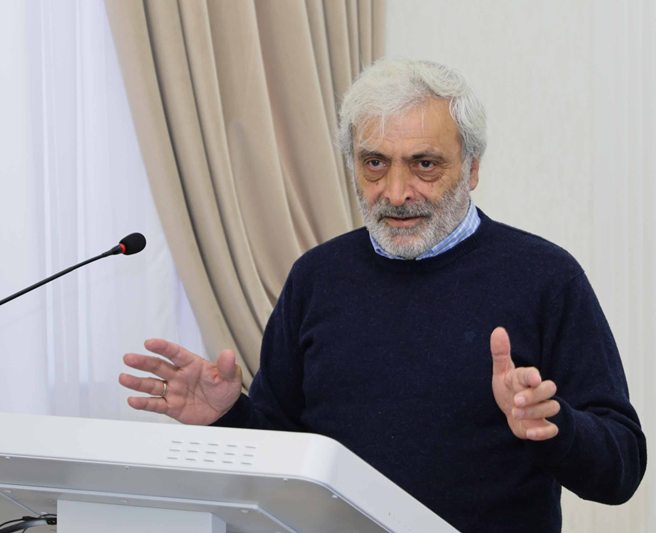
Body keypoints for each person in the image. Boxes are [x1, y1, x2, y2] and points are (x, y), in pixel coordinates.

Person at [118, 59, 646, 532]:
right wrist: (229, 415)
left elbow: (621, 470)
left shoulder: (545, 277)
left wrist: (553, 426)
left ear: (472, 168)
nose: (395, 192)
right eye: (374, 163)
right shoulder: (316, 277)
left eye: (424, 164)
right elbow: (282, 451)